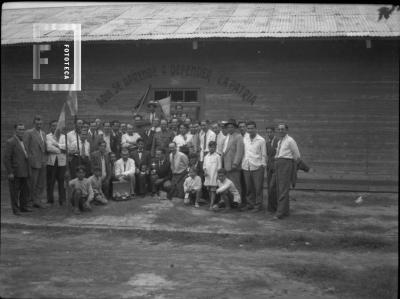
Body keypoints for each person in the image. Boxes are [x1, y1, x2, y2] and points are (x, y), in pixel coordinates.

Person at [271, 123, 301, 219]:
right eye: (279, 129)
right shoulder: (280, 141)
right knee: (279, 189)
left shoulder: (290, 140)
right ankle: (286, 211)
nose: (280, 131)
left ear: (287, 130)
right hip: (279, 164)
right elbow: (278, 154)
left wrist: (292, 168)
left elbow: (297, 155)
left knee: (283, 190)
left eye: (282, 129)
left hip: (286, 165)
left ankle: (279, 213)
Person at [3, 123, 32, 215]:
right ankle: (15, 210)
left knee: (25, 191)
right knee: (15, 192)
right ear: (15, 130)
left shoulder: (24, 141)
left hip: (25, 171)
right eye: (19, 129)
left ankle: (23, 207)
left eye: (23, 129)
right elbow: (6, 158)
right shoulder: (10, 142)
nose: (21, 131)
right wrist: (10, 172)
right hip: (15, 172)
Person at [242, 121, 267, 212]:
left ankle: (258, 205)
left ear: (256, 129)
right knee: (249, 187)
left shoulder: (261, 140)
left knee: (258, 188)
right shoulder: (245, 138)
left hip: (257, 167)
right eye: (248, 128)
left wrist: (262, 165)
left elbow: (264, 154)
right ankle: (250, 204)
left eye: (252, 128)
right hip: (246, 166)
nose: (250, 130)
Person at [23, 114, 47, 209]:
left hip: (42, 161)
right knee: (32, 183)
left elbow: (44, 147)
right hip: (33, 162)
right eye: (37, 123)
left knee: (41, 183)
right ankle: (29, 201)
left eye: (40, 123)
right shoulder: (29, 133)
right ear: (34, 123)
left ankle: (38, 200)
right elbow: (25, 147)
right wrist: (29, 159)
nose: (39, 125)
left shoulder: (44, 133)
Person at [221, 119, 244, 208]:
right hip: (226, 165)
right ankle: (230, 202)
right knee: (228, 185)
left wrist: (235, 163)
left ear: (235, 128)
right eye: (228, 127)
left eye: (231, 127)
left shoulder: (238, 136)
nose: (229, 128)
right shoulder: (227, 136)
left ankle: (238, 203)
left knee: (236, 185)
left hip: (233, 165)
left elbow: (239, 151)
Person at [46, 120, 67, 206]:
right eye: (53, 126)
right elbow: (49, 148)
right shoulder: (47, 136)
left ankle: (62, 199)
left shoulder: (63, 136)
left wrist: (57, 145)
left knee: (61, 181)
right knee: (51, 181)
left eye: (56, 126)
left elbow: (66, 147)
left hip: (61, 162)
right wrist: (60, 149)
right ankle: (50, 199)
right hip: (51, 162)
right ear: (50, 127)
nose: (55, 127)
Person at [203, 141, 221, 210]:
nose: (212, 148)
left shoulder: (218, 156)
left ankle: (211, 204)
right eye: (211, 147)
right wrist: (205, 172)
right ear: (208, 147)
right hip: (207, 176)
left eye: (214, 147)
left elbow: (219, 167)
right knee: (209, 190)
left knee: (213, 191)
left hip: (214, 176)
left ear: (215, 148)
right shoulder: (206, 156)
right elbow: (204, 166)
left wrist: (217, 177)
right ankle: (211, 202)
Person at [265, 126, 279, 213]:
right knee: (270, 188)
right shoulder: (267, 143)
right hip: (269, 168)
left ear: (274, 132)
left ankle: (275, 207)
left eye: (270, 132)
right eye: (267, 132)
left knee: (273, 188)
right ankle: (271, 208)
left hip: (276, 168)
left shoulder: (278, 141)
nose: (269, 134)